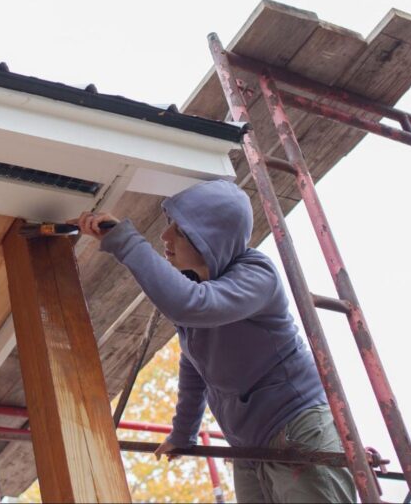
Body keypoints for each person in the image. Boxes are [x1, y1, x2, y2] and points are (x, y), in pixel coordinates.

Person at [72, 179, 356, 503]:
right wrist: (183, 434)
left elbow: (191, 304)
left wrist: (124, 241)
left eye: (180, 230)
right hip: (248, 447)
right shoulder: (200, 291)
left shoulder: (257, 274)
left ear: (211, 238)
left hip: (295, 429)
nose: (165, 237)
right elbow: (195, 366)